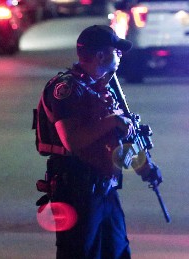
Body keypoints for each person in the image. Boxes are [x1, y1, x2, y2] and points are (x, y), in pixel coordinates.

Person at [34, 25, 135, 258]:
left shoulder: (101, 86)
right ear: (100, 55)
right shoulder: (67, 89)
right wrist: (112, 121)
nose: (120, 55)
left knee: (117, 250)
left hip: (105, 187)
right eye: (116, 50)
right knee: (79, 253)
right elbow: (73, 141)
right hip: (76, 189)